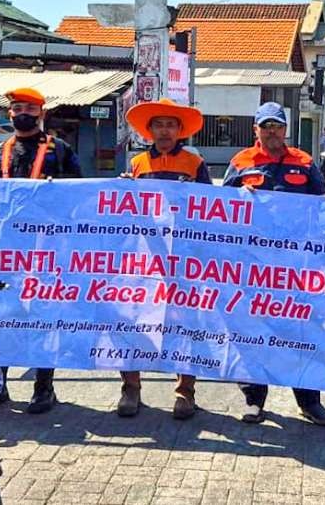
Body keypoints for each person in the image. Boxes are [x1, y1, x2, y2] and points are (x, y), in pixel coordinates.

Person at [221, 101, 325, 428]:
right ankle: (254, 400)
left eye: (277, 126)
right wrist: (235, 198)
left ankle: (309, 401)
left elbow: (323, 205)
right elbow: (218, 210)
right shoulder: (240, 163)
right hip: (253, 268)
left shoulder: (304, 162)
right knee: (253, 332)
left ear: (286, 129)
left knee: (302, 331)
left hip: (296, 269)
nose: (272, 132)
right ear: (256, 129)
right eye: (265, 126)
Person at [0, 87, 81, 414]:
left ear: (41, 112)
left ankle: (44, 387)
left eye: (29, 107)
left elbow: (78, 194)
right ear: (9, 113)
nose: (22, 112)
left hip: (47, 249)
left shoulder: (61, 150)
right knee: (1, 315)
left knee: (44, 316)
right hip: (7, 250)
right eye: (16, 107)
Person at [117, 98, 210, 421]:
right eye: (159, 124)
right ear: (150, 130)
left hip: (184, 257)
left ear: (180, 130)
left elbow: (213, 210)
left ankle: (185, 392)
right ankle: (131, 388)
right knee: (133, 321)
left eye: (171, 124)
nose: (165, 130)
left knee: (185, 324)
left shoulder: (195, 164)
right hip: (143, 258)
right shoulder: (138, 164)